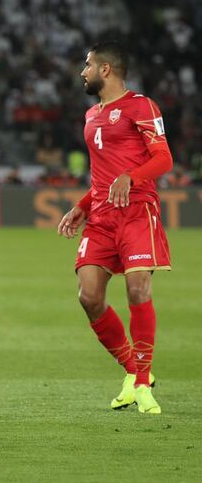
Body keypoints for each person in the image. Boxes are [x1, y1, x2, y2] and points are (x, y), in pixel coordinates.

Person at [57, 41, 173, 414]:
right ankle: (132, 371)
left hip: (138, 211)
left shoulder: (141, 106)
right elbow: (103, 178)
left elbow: (163, 159)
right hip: (102, 218)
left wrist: (131, 177)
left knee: (138, 289)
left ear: (106, 69)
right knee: (88, 296)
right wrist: (82, 206)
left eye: (87, 65)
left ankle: (142, 382)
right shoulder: (91, 115)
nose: (82, 72)